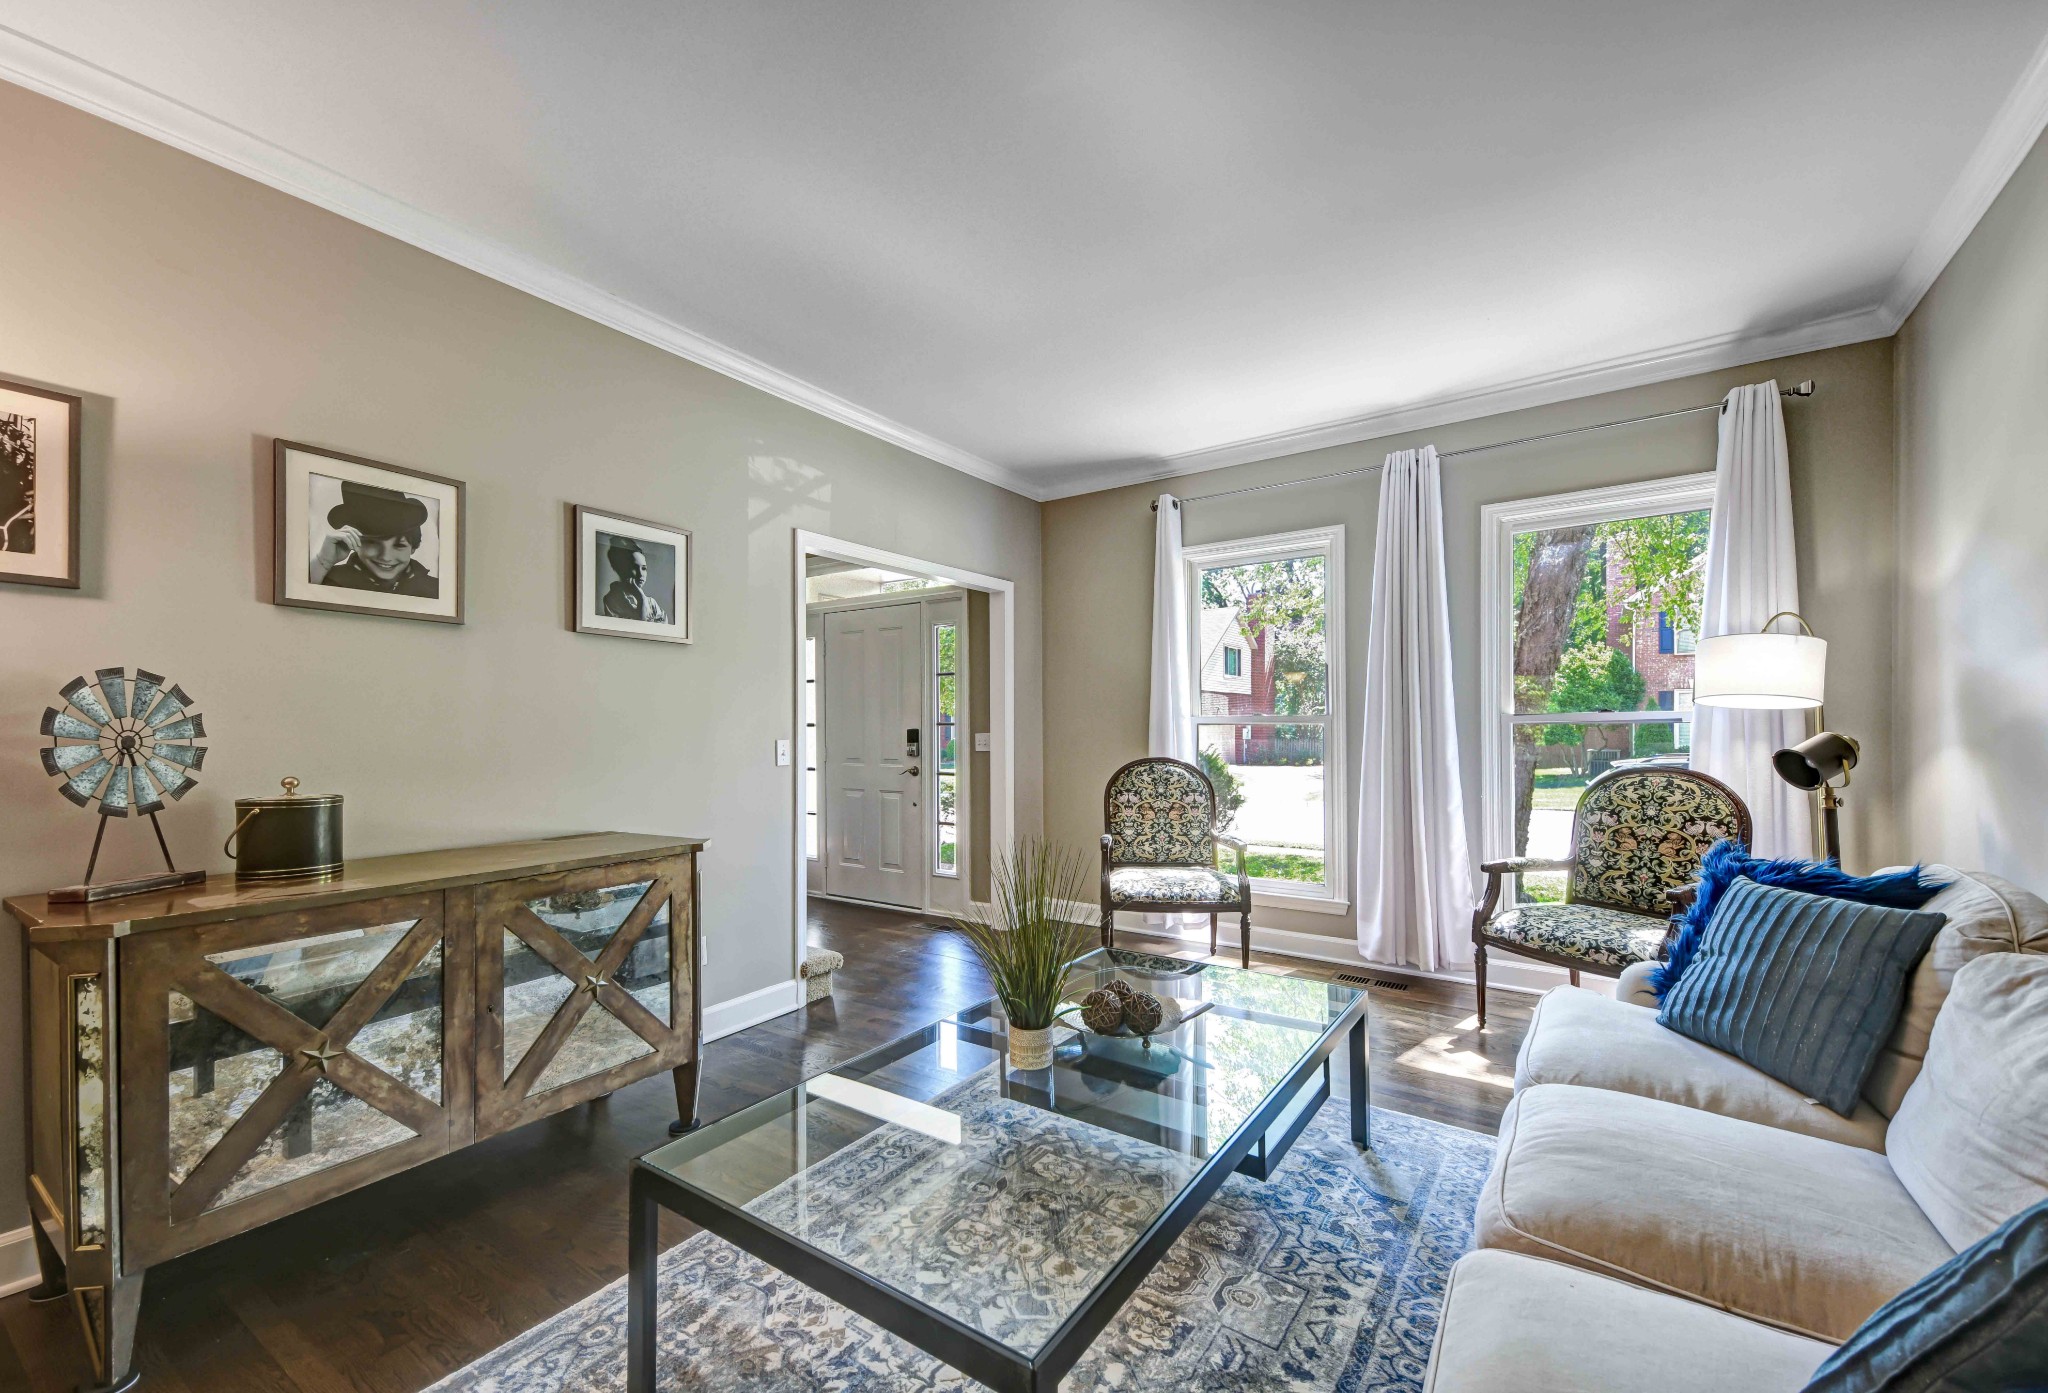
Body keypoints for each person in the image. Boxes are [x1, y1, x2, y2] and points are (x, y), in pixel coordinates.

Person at [312, 481, 439, 597]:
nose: (385, 556)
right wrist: (324, 561)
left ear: (413, 548)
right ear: (354, 542)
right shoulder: (329, 580)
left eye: (399, 545)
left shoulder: (434, 589)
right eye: (372, 543)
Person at [601, 540, 667, 622]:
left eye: (644, 568)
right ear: (621, 569)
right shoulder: (611, 600)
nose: (641, 574)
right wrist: (641, 599)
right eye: (635, 568)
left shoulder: (651, 602)